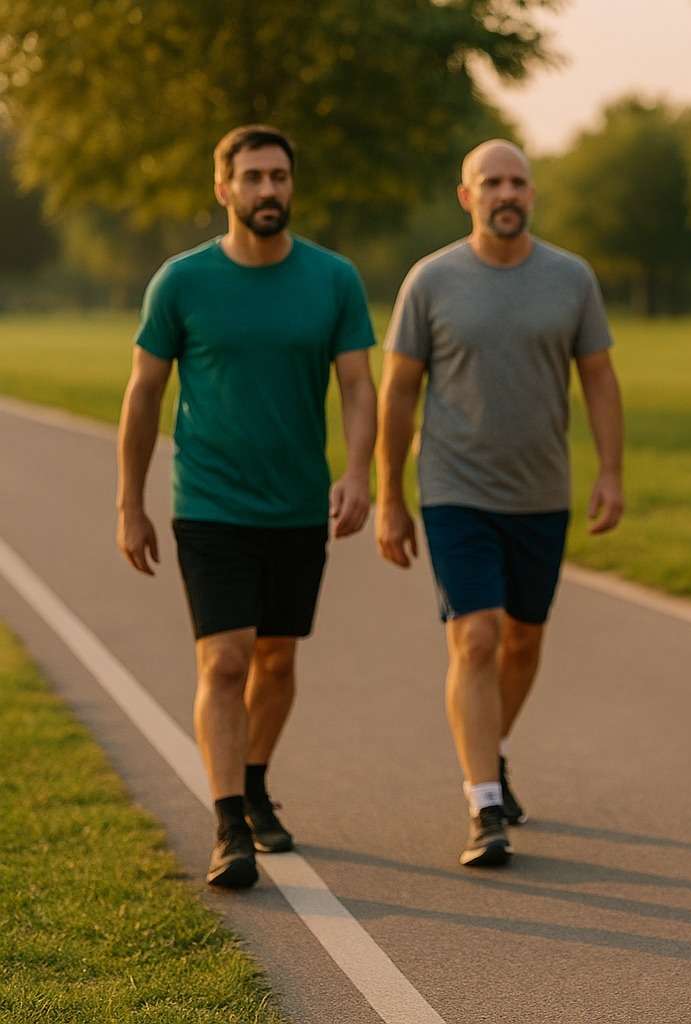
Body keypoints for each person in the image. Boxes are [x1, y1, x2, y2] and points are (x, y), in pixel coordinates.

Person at [116, 124, 377, 889]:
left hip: (297, 505)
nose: (269, 191)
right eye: (254, 177)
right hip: (211, 503)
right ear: (223, 188)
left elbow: (358, 384)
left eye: (279, 177)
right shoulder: (182, 282)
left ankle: (255, 782)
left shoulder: (332, 279)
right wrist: (129, 502)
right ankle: (229, 823)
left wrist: (358, 473)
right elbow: (143, 393)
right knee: (225, 660)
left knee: (276, 658)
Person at [375, 139, 624, 869]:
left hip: (540, 491)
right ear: (467, 195)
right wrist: (391, 495)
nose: (505, 193)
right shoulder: (431, 280)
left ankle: (493, 749)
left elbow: (600, 379)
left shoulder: (570, 278)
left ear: (531, 194)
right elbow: (397, 393)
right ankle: (484, 804)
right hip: (454, 488)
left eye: (517, 181)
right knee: (476, 637)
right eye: (491, 182)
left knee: (523, 640)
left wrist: (610, 472)